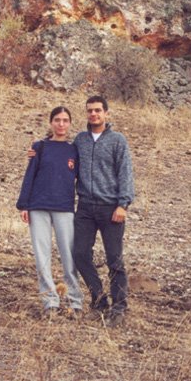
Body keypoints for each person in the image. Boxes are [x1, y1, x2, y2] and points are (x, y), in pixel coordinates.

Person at [73, 95, 135, 325]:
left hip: (111, 208)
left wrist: (123, 204)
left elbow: (125, 173)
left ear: (106, 113)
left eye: (98, 110)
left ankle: (119, 307)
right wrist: (38, 151)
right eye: (90, 110)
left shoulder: (118, 140)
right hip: (86, 207)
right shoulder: (80, 140)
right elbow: (65, 161)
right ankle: (99, 299)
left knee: (114, 260)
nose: (94, 114)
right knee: (79, 253)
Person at [16, 106, 83, 318]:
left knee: (69, 256)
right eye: (57, 120)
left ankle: (75, 302)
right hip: (38, 206)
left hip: (64, 208)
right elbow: (30, 176)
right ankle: (50, 302)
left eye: (65, 120)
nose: (61, 124)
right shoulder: (40, 147)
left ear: (70, 123)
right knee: (42, 256)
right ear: (51, 122)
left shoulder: (75, 149)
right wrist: (23, 205)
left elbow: (82, 178)